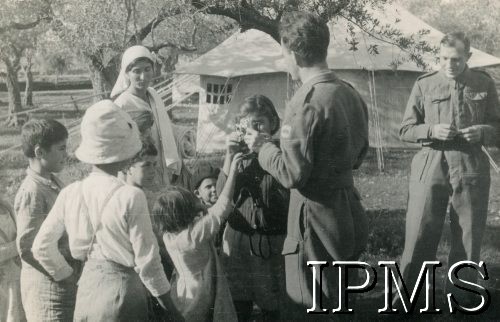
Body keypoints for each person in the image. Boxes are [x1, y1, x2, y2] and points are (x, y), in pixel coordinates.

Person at [243, 11, 369, 318]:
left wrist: (263, 147)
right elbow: (360, 154)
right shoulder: (350, 93)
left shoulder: (306, 102)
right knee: (340, 299)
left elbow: (292, 173)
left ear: (293, 52)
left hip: (314, 219)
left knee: (309, 303)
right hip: (346, 210)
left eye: (283, 52)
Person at [32, 100, 181, 321]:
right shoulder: (130, 196)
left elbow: (41, 247)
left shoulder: (71, 192)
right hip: (122, 292)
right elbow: (148, 263)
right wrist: (172, 310)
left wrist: (68, 277)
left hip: (87, 291)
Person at [398, 31, 500, 307]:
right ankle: (409, 296)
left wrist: (484, 131)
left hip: (470, 166)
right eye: (443, 59)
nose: (449, 64)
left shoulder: (484, 83)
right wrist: (431, 129)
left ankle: (464, 296)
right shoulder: (424, 84)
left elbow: (498, 126)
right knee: (420, 231)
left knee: (468, 235)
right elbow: (405, 129)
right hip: (430, 164)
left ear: (468, 57)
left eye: (455, 59)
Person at [219, 95, 289, 321]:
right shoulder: (240, 154)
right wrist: (229, 157)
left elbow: (288, 193)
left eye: (259, 124)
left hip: (271, 242)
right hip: (239, 238)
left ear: (272, 124)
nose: (253, 131)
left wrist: (264, 152)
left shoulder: (281, 154)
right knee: (239, 304)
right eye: (247, 125)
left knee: (273, 305)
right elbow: (221, 197)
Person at [151, 153, 244, 322]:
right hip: (201, 296)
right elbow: (223, 206)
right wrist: (232, 174)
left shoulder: (169, 236)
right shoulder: (193, 236)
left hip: (182, 294)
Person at [14, 119, 79, 321]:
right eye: (61, 149)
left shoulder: (52, 182)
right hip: (48, 289)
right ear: (39, 152)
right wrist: (65, 276)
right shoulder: (32, 191)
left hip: (62, 282)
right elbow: (27, 247)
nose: (66, 154)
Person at [111, 45, 181, 186]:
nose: (143, 77)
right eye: (136, 71)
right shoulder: (121, 104)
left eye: (147, 69)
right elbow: (117, 145)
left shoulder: (153, 94)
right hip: (137, 171)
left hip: (159, 162)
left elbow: (163, 125)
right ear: (127, 74)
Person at [0, 199, 25, 322]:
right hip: (2, 279)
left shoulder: (7, 206)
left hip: (16, 275)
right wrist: (19, 245)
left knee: (16, 314)